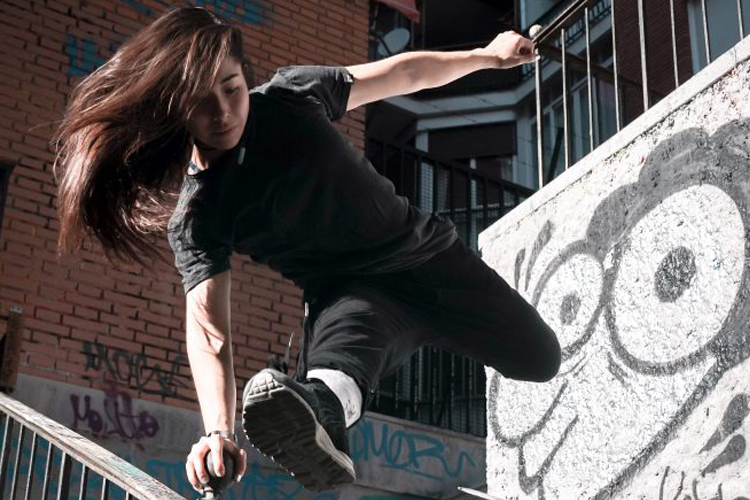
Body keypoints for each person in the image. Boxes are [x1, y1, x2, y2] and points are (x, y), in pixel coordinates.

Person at [51, 5, 561, 495]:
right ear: (176, 109)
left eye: (231, 88)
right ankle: (321, 411)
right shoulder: (198, 215)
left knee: (540, 358)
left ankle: (336, 396)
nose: (223, 112)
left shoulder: (291, 96)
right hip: (351, 294)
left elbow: (403, 74)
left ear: (244, 76)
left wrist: (487, 56)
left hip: (428, 258)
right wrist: (218, 431)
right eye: (201, 102)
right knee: (334, 380)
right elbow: (209, 334)